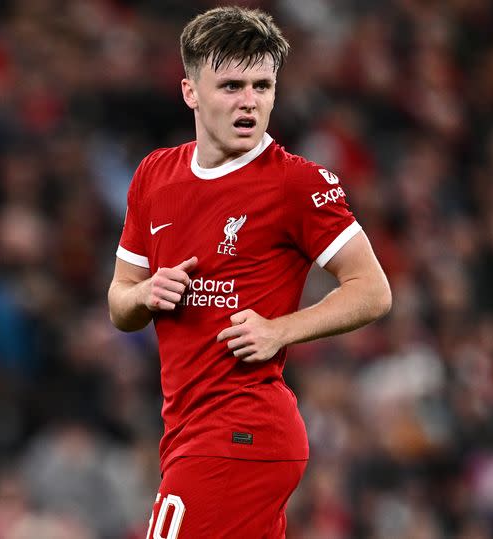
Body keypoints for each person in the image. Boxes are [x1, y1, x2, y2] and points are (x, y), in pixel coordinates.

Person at [107, 6, 391, 537]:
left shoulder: (296, 184)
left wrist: (280, 329)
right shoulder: (153, 175)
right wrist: (145, 292)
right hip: (186, 430)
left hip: (243, 429)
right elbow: (119, 304)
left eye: (262, 85)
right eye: (231, 85)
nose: (249, 101)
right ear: (190, 91)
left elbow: (372, 291)